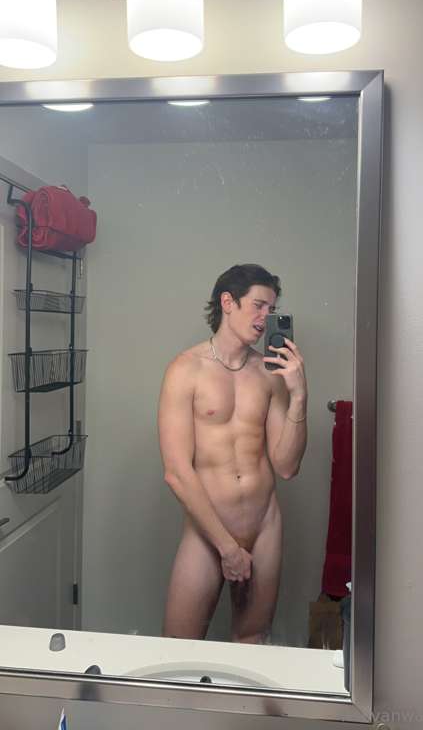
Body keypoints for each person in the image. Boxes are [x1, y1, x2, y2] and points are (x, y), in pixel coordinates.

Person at [158, 264, 308, 643]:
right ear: (228, 302)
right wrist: (227, 547)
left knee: (252, 640)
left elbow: (287, 466)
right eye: (258, 305)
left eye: (271, 309)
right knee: (178, 648)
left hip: (264, 525)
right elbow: (177, 471)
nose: (265, 318)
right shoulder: (185, 370)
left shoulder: (269, 373)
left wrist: (299, 395)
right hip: (208, 531)